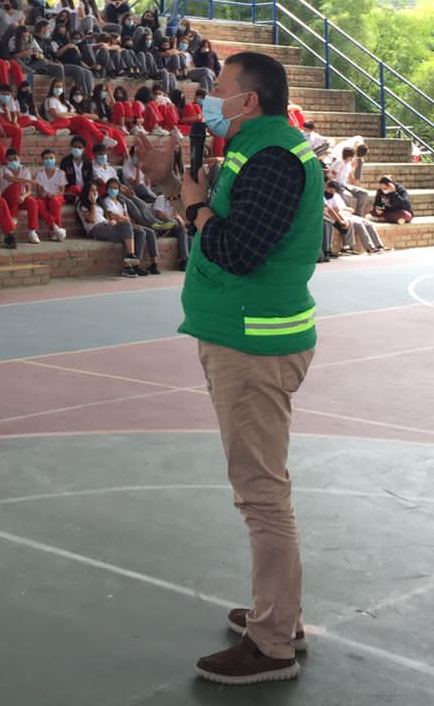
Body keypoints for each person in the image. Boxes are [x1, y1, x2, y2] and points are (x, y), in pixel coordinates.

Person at [178, 51, 323, 686]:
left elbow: (237, 249)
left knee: (261, 493)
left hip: (254, 343)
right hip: (243, 332)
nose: (209, 98)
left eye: (219, 88)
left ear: (250, 101)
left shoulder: (272, 157)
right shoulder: (256, 148)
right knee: (264, 488)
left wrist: (195, 210)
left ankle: (272, 647)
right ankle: (277, 615)